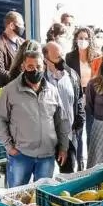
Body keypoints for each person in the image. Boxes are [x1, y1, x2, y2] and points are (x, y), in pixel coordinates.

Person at [0, 46, 69, 186]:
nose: (35, 70)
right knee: (15, 195)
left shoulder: (52, 91)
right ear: (23, 67)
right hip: (21, 155)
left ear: (44, 66)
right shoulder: (10, 91)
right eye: (30, 66)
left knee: (42, 195)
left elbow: (61, 121)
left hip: (47, 155)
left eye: (38, 66)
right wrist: (9, 147)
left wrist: (63, 147)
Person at [43, 41, 84, 172]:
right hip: (47, 135)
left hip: (69, 134)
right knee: (45, 175)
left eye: (62, 56)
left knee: (68, 172)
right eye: (57, 58)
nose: (61, 60)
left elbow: (79, 99)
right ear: (46, 60)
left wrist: (79, 121)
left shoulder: (71, 75)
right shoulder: (40, 79)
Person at [0, 11, 26, 86]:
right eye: (20, 25)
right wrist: (20, 77)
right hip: (6, 87)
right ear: (11, 25)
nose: (23, 28)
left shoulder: (23, 42)